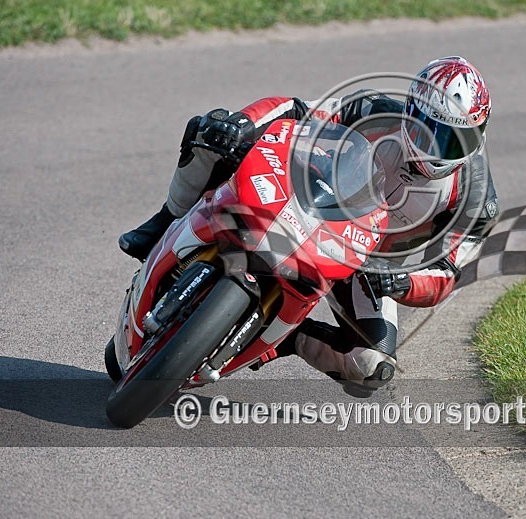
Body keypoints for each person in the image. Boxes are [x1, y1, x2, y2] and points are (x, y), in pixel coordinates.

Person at [119, 56, 499, 396]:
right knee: (212, 130)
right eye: (425, 130)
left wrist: (402, 281)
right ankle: (165, 220)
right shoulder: (372, 110)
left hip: (367, 262)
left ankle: (284, 338)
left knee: (370, 368)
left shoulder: (475, 200)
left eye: (452, 141)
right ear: (409, 113)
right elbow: (295, 109)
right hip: (312, 194)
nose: (433, 148)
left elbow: (446, 274)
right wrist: (243, 123)